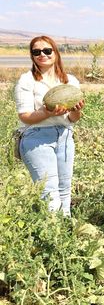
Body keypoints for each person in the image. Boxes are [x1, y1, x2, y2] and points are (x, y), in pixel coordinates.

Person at [15, 35, 84, 216]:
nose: (42, 55)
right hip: (36, 137)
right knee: (50, 192)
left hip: (65, 135)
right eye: (36, 52)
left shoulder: (70, 81)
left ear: (55, 52)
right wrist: (47, 113)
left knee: (64, 188)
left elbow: (73, 118)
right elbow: (24, 116)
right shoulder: (27, 80)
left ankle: (65, 234)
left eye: (47, 50)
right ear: (32, 56)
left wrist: (76, 110)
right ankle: (53, 237)